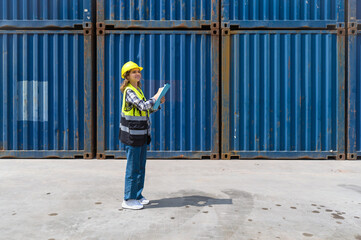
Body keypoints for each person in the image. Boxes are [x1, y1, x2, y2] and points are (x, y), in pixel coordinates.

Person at [119, 61, 165, 210]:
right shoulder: (129, 91)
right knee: (132, 169)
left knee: (140, 167)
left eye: (138, 71)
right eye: (133, 72)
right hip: (131, 136)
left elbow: (146, 110)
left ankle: (137, 195)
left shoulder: (138, 90)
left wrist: (158, 103)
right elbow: (143, 105)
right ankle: (128, 198)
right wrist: (156, 96)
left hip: (141, 135)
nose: (137, 74)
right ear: (127, 76)